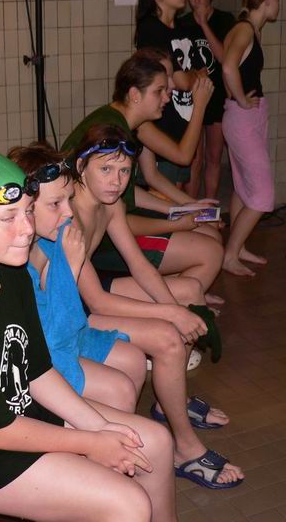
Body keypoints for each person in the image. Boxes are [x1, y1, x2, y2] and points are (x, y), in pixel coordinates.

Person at [0, 148, 177, 521]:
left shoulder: (9, 269)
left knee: (155, 442)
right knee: (128, 503)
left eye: (28, 211)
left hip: (19, 412)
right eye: (7, 217)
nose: (26, 229)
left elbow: (38, 370)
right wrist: (91, 442)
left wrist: (102, 428)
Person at [69, 125, 245, 490]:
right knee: (167, 337)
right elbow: (95, 302)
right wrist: (171, 314)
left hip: (85, 291)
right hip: (68, 309)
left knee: (189, 291)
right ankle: (186, 449)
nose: (117, 180)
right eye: (105, 169)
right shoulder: (70, 215)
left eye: (123, 171)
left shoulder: (110, 204)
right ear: (81, 166)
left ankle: (172, 400)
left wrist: (179, 308)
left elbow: (140, 265)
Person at [61, 49, 224, 306]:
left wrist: (181, 208)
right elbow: (121, 217)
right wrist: (177, 222)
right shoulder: (112, 131)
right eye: (160, 89)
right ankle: (183, 300)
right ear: (135, 94)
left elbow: (135, 186)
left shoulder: (125, 124)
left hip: (107, 232)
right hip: (99, 244)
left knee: (209, 234)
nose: (168, 95)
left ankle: (183, 296)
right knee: (210, 251)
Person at [10, 143, 147, 412]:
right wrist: (70, 270)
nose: (69, 212)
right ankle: (101, 433)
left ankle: (115, 427)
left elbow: (75, 320)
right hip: (39, 358)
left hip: (67, 336)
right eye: (55, 204)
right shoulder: (15, 264)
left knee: (134, 359)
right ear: (25, 206)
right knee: (120, 389)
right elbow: (48, 342)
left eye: (69, 200)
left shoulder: (50, 241)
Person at [220, 0, 280, 277]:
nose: (278, 5)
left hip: (245, 117)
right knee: (263, 194)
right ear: (267, 0)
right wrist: (242, 99)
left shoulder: (246, 28)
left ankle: (238, 247)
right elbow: (228, 66)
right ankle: (229, 255)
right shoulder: (244, 29)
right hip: (243, 118)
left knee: (244, 188)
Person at [134, 0, 210, 189]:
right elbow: (182, 82)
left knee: (180, 190)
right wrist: (190, 77)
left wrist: (188, 77)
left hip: (183, 124)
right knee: (163, 195)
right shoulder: (150, 29)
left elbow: (203, 73)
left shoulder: (184, 29)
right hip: (162, 127)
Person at [179, 0, 236, 199]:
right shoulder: (182, 23)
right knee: (194, 158)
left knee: (214, 156)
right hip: (191, 98)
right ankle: (192, 207)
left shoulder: (225, 20)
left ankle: (210, 208)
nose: (196, 0)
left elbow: (224, 57)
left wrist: (204, 24)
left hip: (217, 95)